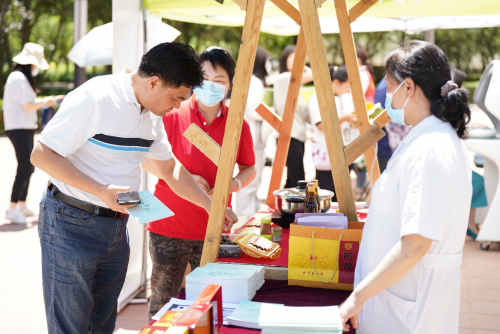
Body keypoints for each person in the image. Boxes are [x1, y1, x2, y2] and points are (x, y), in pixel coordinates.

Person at [30, 42, 238, 333]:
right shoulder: (97, 97)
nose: (178, 106)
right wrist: (101, 189)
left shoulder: (153, 115)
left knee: (102, 323)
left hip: (116, 226)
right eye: (176, 98)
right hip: (70, 222)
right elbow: (41, 155)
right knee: (72, 326)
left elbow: (169, 169)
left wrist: (209, 204)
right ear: (153, 82)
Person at [340, 40, 472, 334]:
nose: (386, 95)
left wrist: (358, 298)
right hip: (399, 300)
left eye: (389, 86)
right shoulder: (425, 139)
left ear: (408, 87)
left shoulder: (431, 149)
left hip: (409, 310)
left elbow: (415, 245)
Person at [142, 47, 256, 318]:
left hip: (215, 225)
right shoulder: (171, 113)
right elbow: (144, 159)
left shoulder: (238, 125)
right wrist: (178, 175)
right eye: (205, 77)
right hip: (169, 223)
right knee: (163, 303)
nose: (211, 85)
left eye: (220, 80)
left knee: (211, 303)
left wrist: (233, 184)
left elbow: (249, 168)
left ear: (231, 85)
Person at [3, 42, 64, 224]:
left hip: (23, 127)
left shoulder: (19, 77)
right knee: (24, 167)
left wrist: (46, 101)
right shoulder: (19, 78)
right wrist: (48, 101)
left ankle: (21, 205)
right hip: (19, 127)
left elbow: (28, 102)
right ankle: (12, 208)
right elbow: (28, 105)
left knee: (28, 167)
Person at [308, 65, 353, 198]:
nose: (347, 91)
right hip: (326, 150)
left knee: (338, 191)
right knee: (326, 190)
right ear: (336, 82)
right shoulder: (317, 98)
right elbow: (320, 125)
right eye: (346, 87)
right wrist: (344, 118)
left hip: (338, 148)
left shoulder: (337, 97)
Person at [235, 47, 269, 217]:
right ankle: (245, 219)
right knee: (250, 180)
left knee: (252, 181)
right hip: (252, 135)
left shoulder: (248, 80)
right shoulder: (253, 81)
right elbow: (255, 109)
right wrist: (270, 110)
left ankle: (250, 216)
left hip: (251, 134)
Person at [273, 45, 313, 188]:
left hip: (299, 137)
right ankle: (298, 210)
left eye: (300, 58)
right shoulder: (283, 79)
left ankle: (286, 209)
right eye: (294, 57)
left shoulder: (297, 88)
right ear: (285, 59)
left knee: (292, 179)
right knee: (299, 179)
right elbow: (314, 74)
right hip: (289, 136)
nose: (298, 61)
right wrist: (304, 66)